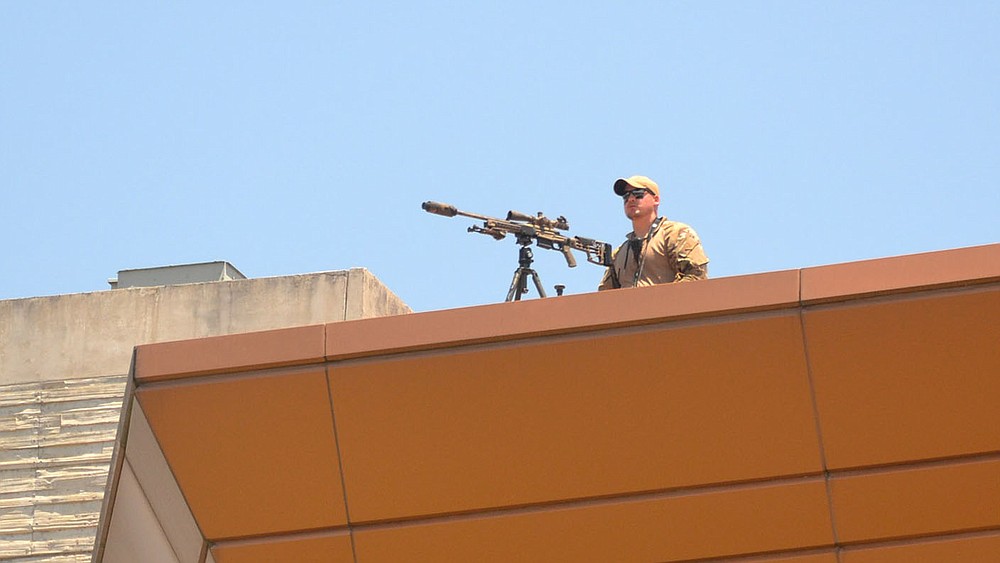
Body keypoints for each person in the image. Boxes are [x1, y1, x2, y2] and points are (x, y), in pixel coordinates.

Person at [598, 175, 709, 290]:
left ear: (656, 200)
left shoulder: (676, 234)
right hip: (628, 308)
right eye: (626, 196)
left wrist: (662, 301)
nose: (631, 199)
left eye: (638, 193)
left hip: (670, 306)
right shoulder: (619, 253)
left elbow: (696, 276)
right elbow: (605, 294)